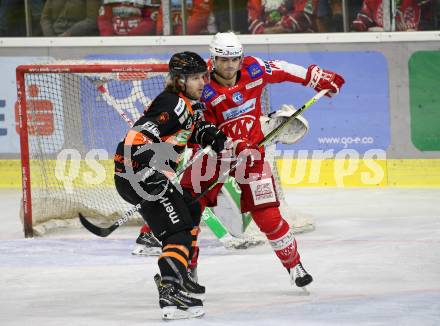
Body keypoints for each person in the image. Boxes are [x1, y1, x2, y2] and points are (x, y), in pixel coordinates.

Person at [180, 32, 345, 289]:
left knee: (268, 216)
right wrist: (233, 145)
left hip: (251, 156)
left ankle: (294, 265)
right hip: (213, 157)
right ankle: (187, 273)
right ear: (213, 59)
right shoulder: (202, 88)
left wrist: (314, 77)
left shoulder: (254, 69)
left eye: (235, 58)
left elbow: (283, 69)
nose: (230, 65)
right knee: (187, 214)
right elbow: (203, 131)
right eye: (223, 59)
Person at [113, 51, 227, 320]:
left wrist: (207, 133)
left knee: (189, 211)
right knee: (178, 232)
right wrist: (150, 164)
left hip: (146, 176)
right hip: (140, 176)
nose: (202, 83)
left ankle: (178, 275)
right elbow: (136, 139)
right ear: (179, 80)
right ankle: (170, 291)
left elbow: (190, 128)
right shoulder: (172, 104)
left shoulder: (185, 104)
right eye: (195, 78)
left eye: (203, 77)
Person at [351, 0, 432, 31]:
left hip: (415, 54)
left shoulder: (420, 3)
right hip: (382, 52)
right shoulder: (372, 1)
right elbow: (357, 28)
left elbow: (431, 31)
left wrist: (415, 34)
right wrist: (372, 32)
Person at [247, 0, 318, 34]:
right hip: (268, 47)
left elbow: (303, 17)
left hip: (301, 47)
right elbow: (253, 24)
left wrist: (268, 31)